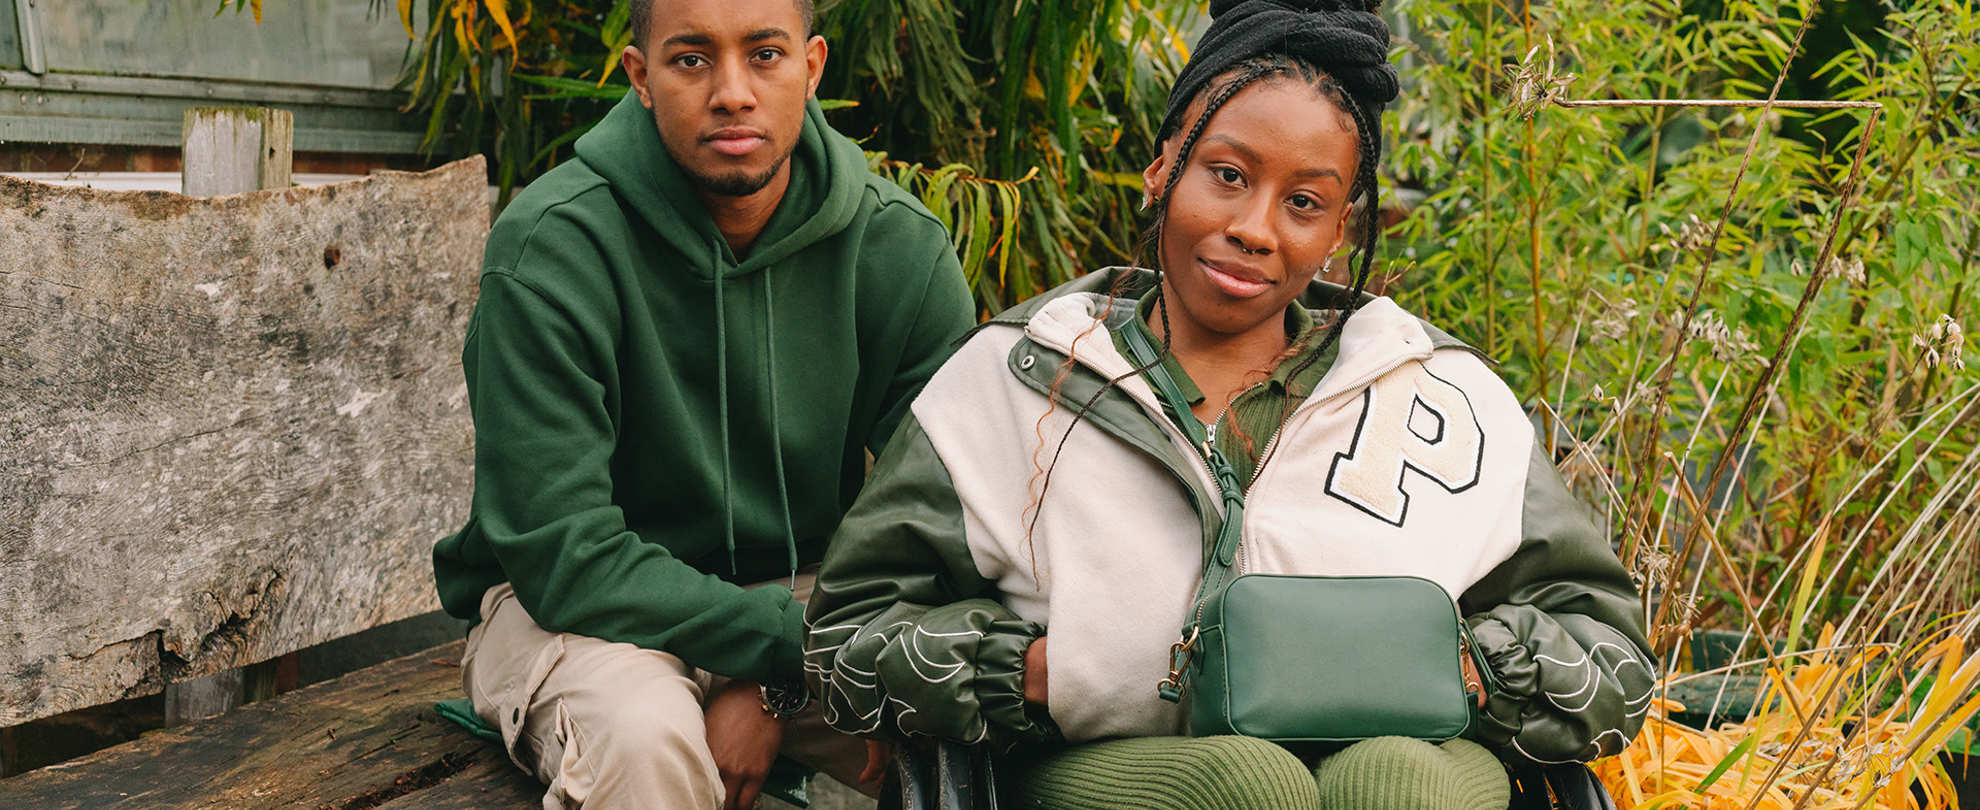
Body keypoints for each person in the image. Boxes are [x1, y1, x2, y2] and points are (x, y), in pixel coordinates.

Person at [802, 1, 1655, 807]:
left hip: (1417, 754)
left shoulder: (1445, 394)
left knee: (1398, 780)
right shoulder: (1015, 378)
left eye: (1305, 202)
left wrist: (1456, 669)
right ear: (1162, 165)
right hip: (1111, 765)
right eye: (1228, 174)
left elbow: (1614, 663)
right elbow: (845, 643)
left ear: (1341, 231)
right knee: (1248, 786)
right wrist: (1035, 671)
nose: (1256, 226)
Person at [427, 0, 976, 804]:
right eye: (691, 60)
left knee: (970, 720)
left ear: (812, 67)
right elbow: (562, 553)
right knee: (648, 744)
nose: (732, 92)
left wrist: (764, 682)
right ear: (640, 77)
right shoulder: (553, 245)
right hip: (576, 612)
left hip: (806, 596)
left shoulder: (899, 248)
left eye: (764, 55)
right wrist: (779, 653)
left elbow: (946, 517)